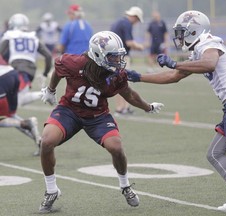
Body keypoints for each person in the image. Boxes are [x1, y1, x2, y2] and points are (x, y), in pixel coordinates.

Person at [126, 10, 226, 212]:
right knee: (215, 153)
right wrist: (139, 77)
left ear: (194, 31)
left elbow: (210, 64)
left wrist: (176, 62)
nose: (179, 37)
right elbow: (173, 76)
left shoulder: (208, 44)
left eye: (182, 32)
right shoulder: (198, 50)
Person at [38, 31, 164, 213]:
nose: (118, 61)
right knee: (47, 142)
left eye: (118, 56)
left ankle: (125, 185)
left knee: (117, 148)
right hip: (69, 111)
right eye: (113, 57)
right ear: (98, 55)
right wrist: (50, 90)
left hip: (98, 116)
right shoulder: (74, 63)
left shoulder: (116, 74)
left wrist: (147, 107)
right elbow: (58, 69)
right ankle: (51, 190)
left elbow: (128, 94)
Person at [0, 13, 52, 106]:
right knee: (9, 100)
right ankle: (22, 121)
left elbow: (1, 54)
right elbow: (48, 56)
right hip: (29, 71)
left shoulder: (9, 35)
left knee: (17, 101)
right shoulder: (33, 37)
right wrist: (45, 74)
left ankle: (45, 94)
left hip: (17, 70)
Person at [0, 62, 41, 156]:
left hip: (2, 80)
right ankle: (40, 142)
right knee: (11, 116)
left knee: (1, 119)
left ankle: (26, 123)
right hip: (12, 74)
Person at [111, 6, 145, 116]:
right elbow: (130, 42)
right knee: (122, 82)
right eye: (138, 19)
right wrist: (140, 47)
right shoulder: (127, 24)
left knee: (122, 81)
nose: (137, 22)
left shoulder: (119, 22)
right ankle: (120, 108)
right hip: (121, 57)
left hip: (113, 56)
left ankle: (125, 107)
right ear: (135, 17)